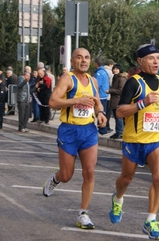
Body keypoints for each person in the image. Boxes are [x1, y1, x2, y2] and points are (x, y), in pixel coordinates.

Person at [109, 44, 159, 240]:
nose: (155, 62)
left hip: (156, 139)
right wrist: (142, 103)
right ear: (140, 61)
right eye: (151, 58)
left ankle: (151, 220)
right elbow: (119, 111)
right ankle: (117, 199)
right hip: (134, 140)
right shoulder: (133, 83)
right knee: (126, 179)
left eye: (157, 58)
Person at [42, 47, 107, 230]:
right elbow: (53, 102)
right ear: (72, 61)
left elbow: (96, 101)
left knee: (89, 172)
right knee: (67, 175)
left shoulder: (93, 80)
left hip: (88, 131)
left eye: (87, 57)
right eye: (79, 57)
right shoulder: (67, 79)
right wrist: (75, 101)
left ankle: (83, 213)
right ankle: (55, 179)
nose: (84, 60)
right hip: (69, 131)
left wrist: (100, 112)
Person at [107, 64, 127, 139]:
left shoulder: (121, 79)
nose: (115, 70)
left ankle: (120, 132)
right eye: (114, 69)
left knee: (119, 117)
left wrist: (110, 91)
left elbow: (120, 90)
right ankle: (118, 131)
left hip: (118, 100)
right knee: (116, 117)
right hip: (114, 100)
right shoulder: (115, 78)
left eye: (117, 69)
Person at [94, 57, 110, 135]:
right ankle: (103, 127)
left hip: (100, 95)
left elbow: (97, 85)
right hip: (104, 95)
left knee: (100, 112)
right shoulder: (104, 72)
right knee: (103, 112)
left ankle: (102, 128)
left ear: (96, 64)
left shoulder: (99, 73)